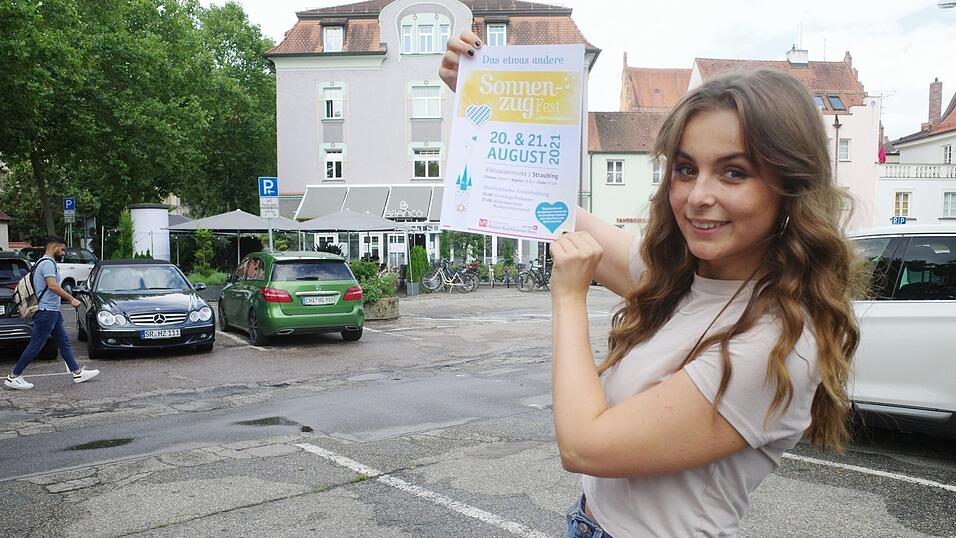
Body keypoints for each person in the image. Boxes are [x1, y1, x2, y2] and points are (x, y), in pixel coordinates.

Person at [441, 33, 861, 537]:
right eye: (686, 169)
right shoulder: (687, 277)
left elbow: (584, 446)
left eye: (733, 172)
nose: (698, 195)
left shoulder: (776, 339)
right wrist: (483, 97)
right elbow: (551, 209)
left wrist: (570, 297)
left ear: (790, 184)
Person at [5, 236, 100, 390]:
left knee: (64, 341)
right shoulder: (48, 264)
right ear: (53, 247)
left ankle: (77, 372)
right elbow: (53, 286)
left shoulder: (42, 263)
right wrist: (71, 299)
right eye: (62, 249)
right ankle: (14, 376)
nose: (63, 252)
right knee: (36, 345)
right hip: (46, 312)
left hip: (52, 311)